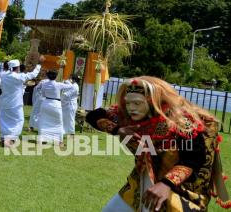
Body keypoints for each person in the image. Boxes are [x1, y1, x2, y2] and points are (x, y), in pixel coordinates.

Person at [86, 76, 230, 211]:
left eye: (137, 103)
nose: (131, 108)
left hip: (181, 190)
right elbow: (92, 116)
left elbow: (194, 158)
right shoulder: (127, 115)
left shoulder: (181, 121)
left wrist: (166, 184)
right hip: (140, 184)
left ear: (152, 102)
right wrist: (117, 130)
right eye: (128, 102)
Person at [0, 56, 44, 147]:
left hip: (4, 102)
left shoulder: (4, 76)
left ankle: (3, 137)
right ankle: (10, 139)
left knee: (5, 120)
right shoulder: (18, 77)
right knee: (19, 120)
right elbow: (33, 75)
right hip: (15, 103)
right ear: (17, 67)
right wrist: (39, 64)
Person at [35, 70, 75, 145]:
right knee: (58, 123)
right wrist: (67, 81)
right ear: (56, 77)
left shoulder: (44, 84)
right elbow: (71, 87)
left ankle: (41, 139)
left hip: (46, 103)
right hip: (55, 104)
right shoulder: (58, 84)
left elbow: (43, 94)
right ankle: (59, 141)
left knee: (43, 121)